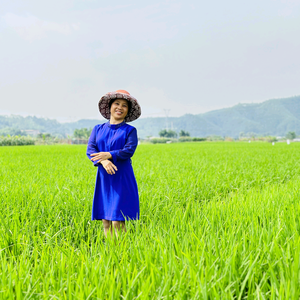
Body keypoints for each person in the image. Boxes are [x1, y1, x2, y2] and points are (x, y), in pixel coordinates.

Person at [86, 90, 141, 238]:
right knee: (105, 220)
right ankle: (110, 251)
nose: (120, 107)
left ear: (127, 111)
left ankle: (122, 252)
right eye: (117, 103)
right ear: (110, 107)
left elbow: (128, 150)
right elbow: (90, 150)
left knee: (118, 220)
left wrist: (109, 154)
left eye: (124, 105)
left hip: (122, 176)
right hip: (104, 177)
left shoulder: (130, 130)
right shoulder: (98, 129)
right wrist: (103, 160)